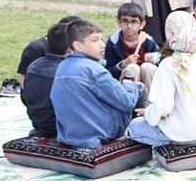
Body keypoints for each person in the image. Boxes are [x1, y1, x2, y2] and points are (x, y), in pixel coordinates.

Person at [127, 10, 196, 147]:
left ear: (170, 34)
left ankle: (173, 147)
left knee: (134, 127)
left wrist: (148, 113)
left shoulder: (168, 64)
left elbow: (164, 106)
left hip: (179, 133)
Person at [51, 19, 143, 150]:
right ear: (78, 46)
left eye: (101, 39)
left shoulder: (61, 66)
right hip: (100, 132)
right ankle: (139, 135)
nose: (102, 45)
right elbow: (127, 102)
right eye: (95, 40)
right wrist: (130, 84)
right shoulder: (94, 70)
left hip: (70, 134)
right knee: (139, 90)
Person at [21, 20, 72, 137]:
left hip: (39, 125)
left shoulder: (33, 66)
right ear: (72, 47)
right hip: (63, 128)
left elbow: (24, 95)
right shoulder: (69, 71)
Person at [103, 2, 159, 90]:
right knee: (132, 68)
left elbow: (159, 62)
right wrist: (124, 64)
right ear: (119, 22)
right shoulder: (113, 43)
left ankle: (150, 98)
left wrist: (153, 60)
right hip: (124, 83)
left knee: (148, 67)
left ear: (142, 25)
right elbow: (108, 73)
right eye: (125, 21)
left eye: (134, 22)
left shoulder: (149, 41)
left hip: (147, 80)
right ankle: (132, 97)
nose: (129, 26)